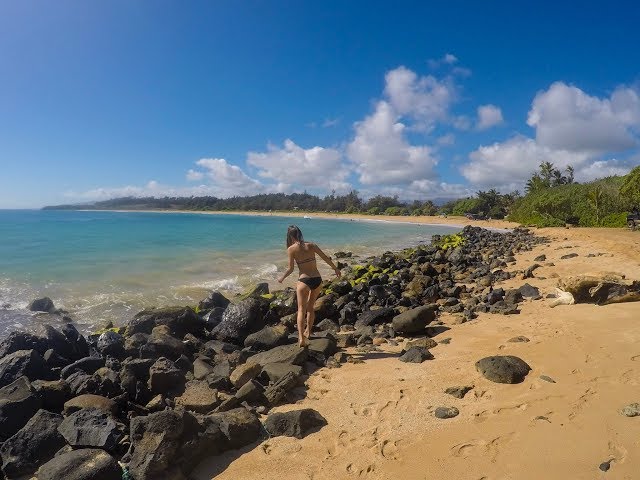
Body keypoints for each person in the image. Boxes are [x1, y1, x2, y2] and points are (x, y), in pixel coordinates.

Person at [277, 225, 341, 347]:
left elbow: (291, 269)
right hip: (317, 279)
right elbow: (325, 258)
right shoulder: (312, 245)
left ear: (290, 236)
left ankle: (301, 338)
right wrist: (335, 269)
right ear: (299, 233)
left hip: (304, 280)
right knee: (310, 307)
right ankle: (309, 332)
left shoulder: (291, 249)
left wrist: (282, 277)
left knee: (301, 309)